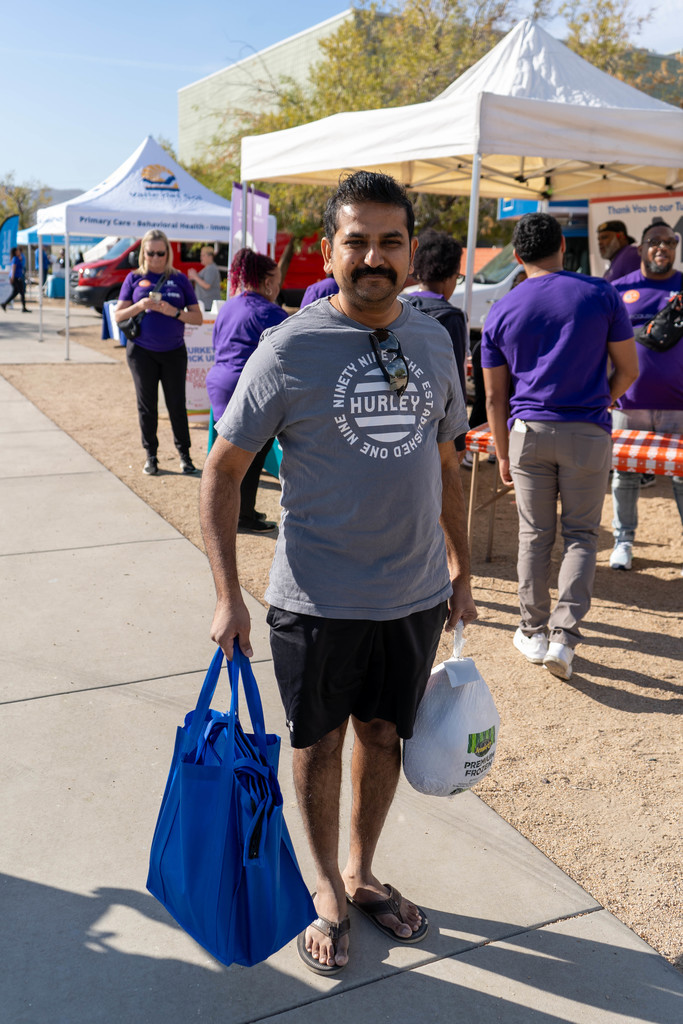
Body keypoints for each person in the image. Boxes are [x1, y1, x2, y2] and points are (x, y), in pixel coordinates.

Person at [200, 170, 476, 974]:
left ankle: (359, 872)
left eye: (390, 241)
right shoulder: (288, 347)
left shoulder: (431, 337)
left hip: (414, 594)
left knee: (384, 735)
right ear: (329, 250)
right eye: (356, 241)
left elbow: (448, 460)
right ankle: (321, 884)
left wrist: (460, 567)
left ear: (409, 250)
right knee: (316, 744)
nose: (374, 257)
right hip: (316, 600)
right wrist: (226, 595)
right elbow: (221, 472)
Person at [482, 213, 638, 681]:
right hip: (587, 431)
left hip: (527, 432)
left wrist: (503, 452)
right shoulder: (600, 293)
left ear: (516, 256)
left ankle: (532, 629)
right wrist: (599, 402)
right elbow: (629, 370)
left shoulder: (502, 308)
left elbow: (493, 395)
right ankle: (564, 638)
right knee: (581, 537)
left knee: (534, 535)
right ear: (563, 250)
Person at [609, 220, 683, 571]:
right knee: (624, 475)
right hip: (629, 402)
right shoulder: (618, 289)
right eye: (654, 241)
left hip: (679, 406)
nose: (662, 248)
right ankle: (623, 540)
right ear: (640, 248)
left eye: (669, 242)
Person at [206, 247, 287, 531]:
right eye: (277, 281)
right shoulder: (269, 312)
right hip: (245, 389)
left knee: (229, 456)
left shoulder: (229, 305)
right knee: (250, 459)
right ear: (267, 282)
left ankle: (241, 512)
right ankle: (243, 515)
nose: (279, 287)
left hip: (220, 383)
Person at [114, 229, 202, 476]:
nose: (155, 258)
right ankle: (151, 456)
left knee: (176, 404)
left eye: (160, 253)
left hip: (174, 351)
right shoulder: (133, 278)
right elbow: (118, 315)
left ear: (168, 253)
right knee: (147, 406)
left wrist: (173, 312)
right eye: (150, 253)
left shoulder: (180, 279)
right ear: (143, 252)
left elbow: (196, 318)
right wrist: (140, 305)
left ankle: (184, 455)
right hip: (142, 352)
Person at [404, 229, 468, 459]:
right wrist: (458, 439)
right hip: (433, 421)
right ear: (449, 276)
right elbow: (455, 381)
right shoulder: (451, 317)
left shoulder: (399, 304)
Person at [187, 246, 222, 311]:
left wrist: (195, 276)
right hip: (206, 305)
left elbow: (207, 285)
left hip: (208, 306)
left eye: (203, 255)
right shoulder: (209, 268)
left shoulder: (211, 269)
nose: (201, 258)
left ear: (210, 256)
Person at [1, 248, 29, 312]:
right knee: (21, 292)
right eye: (18, 251)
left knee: (16, 292)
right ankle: (24, 308)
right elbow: (13, 268)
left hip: (17, 277)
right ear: (15, 252)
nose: (19, 252)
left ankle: (4, 303)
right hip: (16, 277)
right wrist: (12, 277)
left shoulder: (17, 258)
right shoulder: (15, 258)